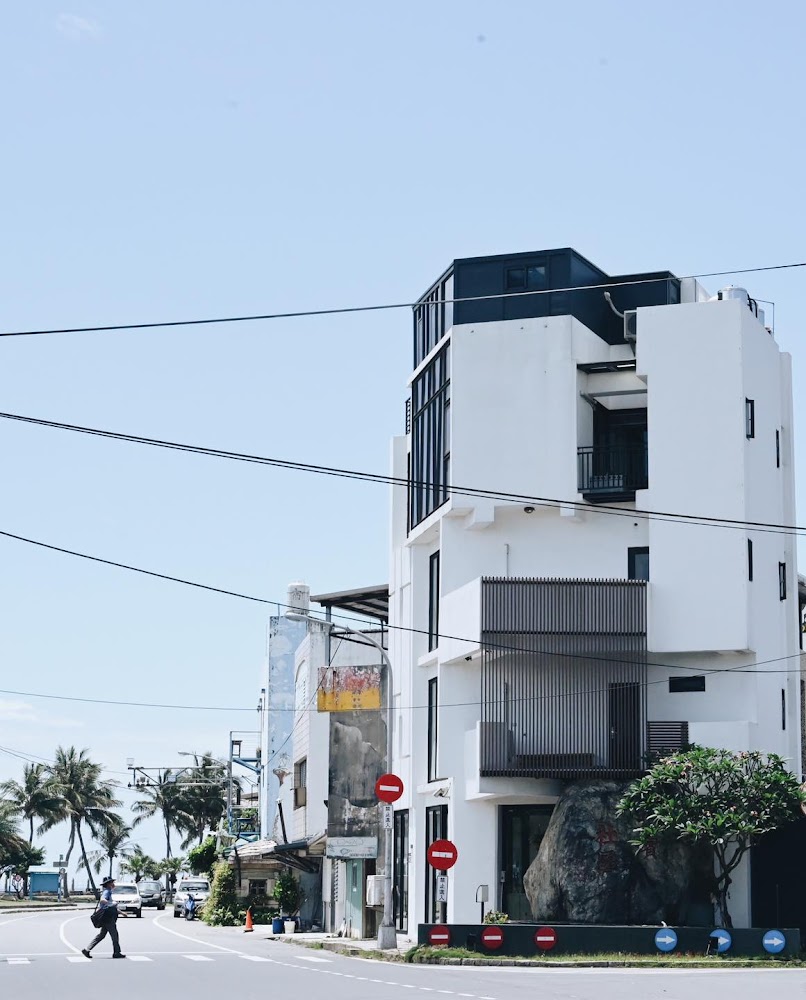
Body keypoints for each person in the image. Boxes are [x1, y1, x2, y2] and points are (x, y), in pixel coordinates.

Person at [82, 877, 125, 959]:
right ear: (109, 884)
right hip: (108, 918)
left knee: (101, 935)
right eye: (112, 882)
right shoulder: (107, 892)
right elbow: (102, 900)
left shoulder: (109, 892)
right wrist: (111, 903)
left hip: (106, 917)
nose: (113, 884)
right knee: (114, 935)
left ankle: (87, 950)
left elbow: (110, 906)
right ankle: (116, 952)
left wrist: (121, 913)